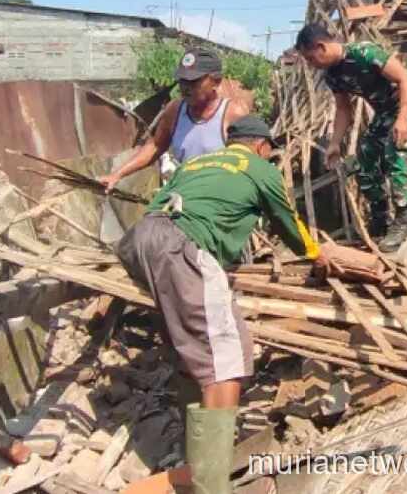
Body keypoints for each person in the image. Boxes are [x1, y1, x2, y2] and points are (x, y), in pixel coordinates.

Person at [116, 116, 329, 492]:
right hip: (180, 244)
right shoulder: (259, 167)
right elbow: (286, 221)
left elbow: (163, 204)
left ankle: (189, 457)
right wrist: (316, 254)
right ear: (262, 146)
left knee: (192, 346)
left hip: (140, 238)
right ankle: (210, 481)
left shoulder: (199, 162)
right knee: (227, 357)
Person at [293, 23, 407, 251]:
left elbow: (404, 79)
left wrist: (404, 118)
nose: (311, 65)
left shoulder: (364, 53)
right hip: (385, 111)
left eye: (310, 58)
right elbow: (343, 109)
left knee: (396, 151)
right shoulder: (332, 75)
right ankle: (381, 218)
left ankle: (405, 219)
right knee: (365, 156)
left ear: (321, 47)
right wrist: (335, 143)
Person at [99, 47, 248, 190]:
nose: (185, 87)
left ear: (216, 81)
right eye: (182, 80)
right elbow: (156, 146)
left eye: (194, 81)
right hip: (184, 195)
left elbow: (250, 165)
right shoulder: (175, 110)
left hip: (221, 201)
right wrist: (116, 175)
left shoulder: (233, 114)